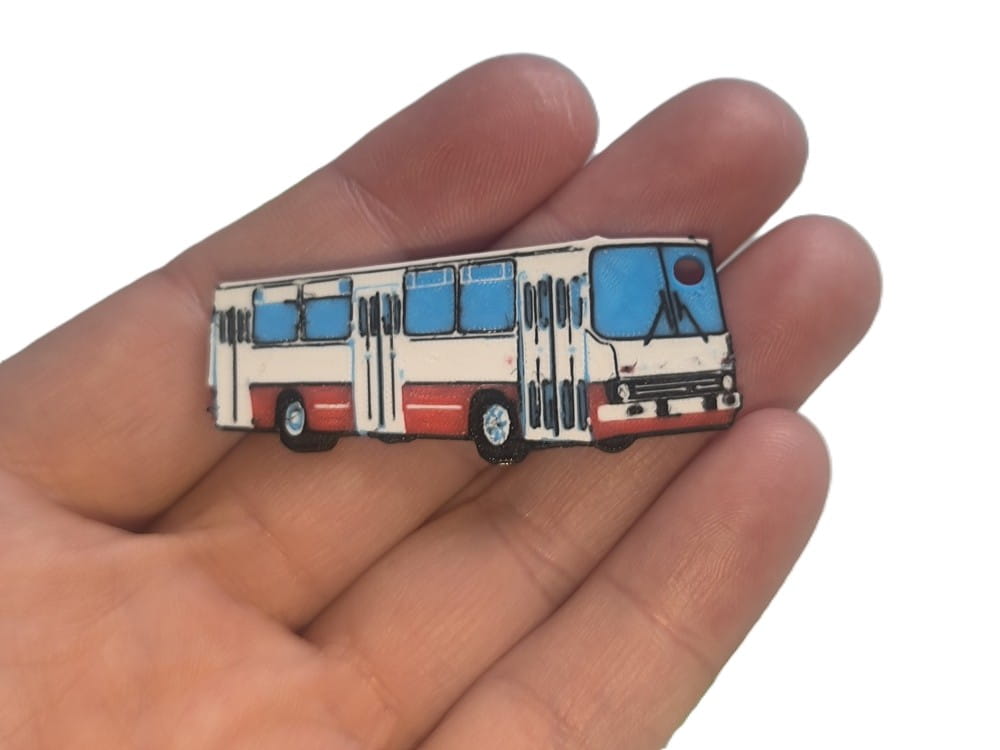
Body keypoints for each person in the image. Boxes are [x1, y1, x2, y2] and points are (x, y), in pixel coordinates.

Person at [0, 55, 879, 748]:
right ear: (568, 304)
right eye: (637, 305)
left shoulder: (615, 360)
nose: (666, 324)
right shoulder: (414, 378)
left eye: (671, 304)